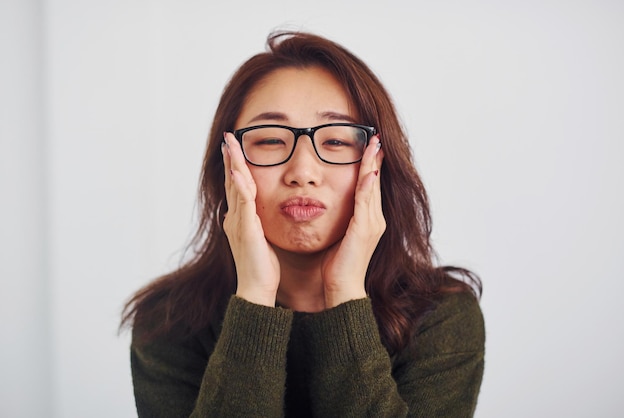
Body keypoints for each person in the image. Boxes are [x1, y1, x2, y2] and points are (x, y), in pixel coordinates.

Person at [121, 31, 484, 417]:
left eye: (337, 142)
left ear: (379, 164)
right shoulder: (168, 322)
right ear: (228, 165)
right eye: (271, 140)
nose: (303, 172)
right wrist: (255, 297)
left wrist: (344, 293)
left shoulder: (442, 316)